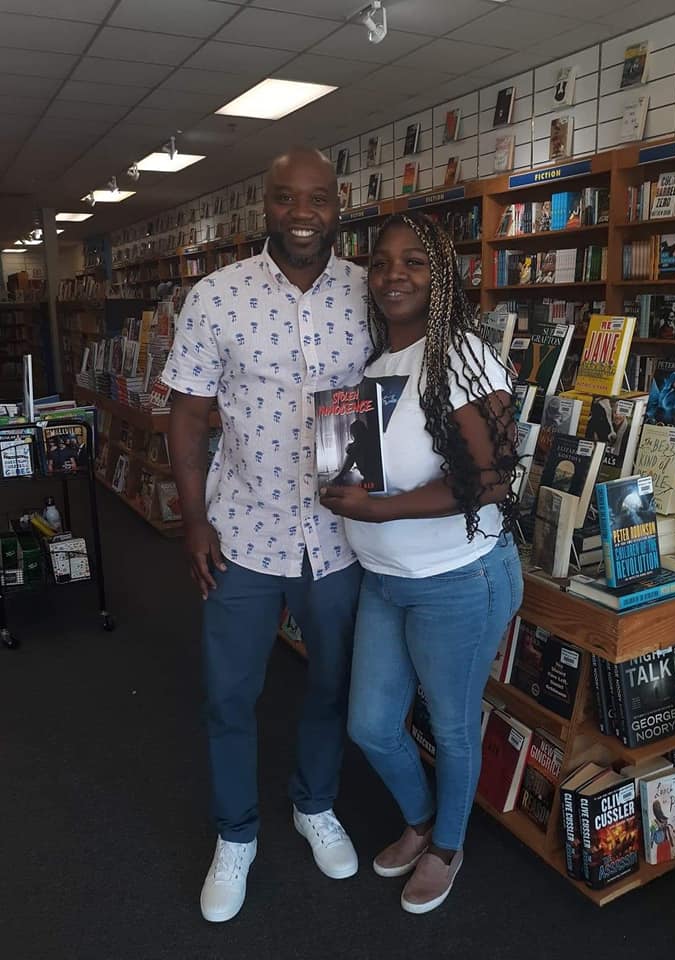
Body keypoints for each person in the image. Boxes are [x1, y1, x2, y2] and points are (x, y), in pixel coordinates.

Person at [162, 147, 371, 923]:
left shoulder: (369, 291)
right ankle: (236, 834)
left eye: (318, 198)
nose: (303, 214)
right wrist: (193, 521)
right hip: (242, 533)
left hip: (340, 538)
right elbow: (188, 414)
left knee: (331, 684)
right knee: (229, 694)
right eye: (286, 198)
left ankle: (314, 804)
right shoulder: (216, 296)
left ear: (338, 205)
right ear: (266, 206)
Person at [320, 212, 523, 914]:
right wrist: (343, 487)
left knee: (453, 725)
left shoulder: (461, 355)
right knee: (371, 726)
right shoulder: (375, 369)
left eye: (413, 261)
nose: (393, 275)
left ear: (441, 278)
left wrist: (381, 511)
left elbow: (493, 480)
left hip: (457, 578)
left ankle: (447, 846)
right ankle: (421, 820)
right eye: (380, 262)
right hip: (385, 580)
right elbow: (373, 473)